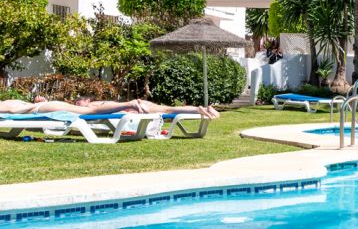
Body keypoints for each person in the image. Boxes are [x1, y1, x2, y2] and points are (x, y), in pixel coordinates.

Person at [0, 97, 220, 119]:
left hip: (44, 108)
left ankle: (130, 104)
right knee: (166, 108)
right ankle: (198, 109)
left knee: (88, 112)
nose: (79, 102)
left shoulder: (92, 105)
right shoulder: (16, 104)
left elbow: (89, 110)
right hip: (42, 107)